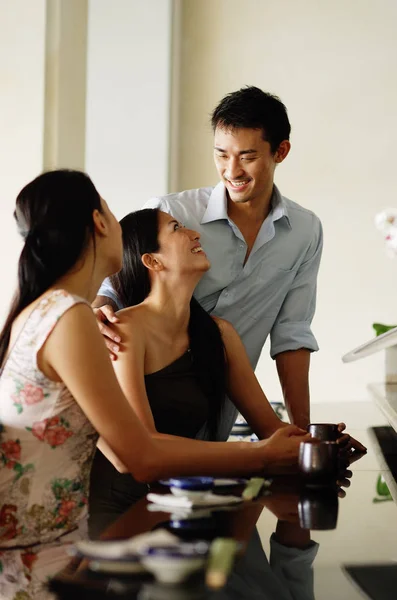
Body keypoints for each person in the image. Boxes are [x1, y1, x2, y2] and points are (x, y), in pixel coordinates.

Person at [0, 170, 309, 596]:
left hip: (52, 549)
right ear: (100, 224)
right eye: (110, 210)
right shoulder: (71, 318)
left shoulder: (48, 311)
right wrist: (259, 454)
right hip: (42, 561)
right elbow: (139, 457)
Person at [94, 86, 322, 437]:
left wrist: (307, 437)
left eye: (247, 157)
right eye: (221, 155)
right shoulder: (172, 213)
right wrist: (95, 319)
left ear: (281, 151)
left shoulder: (304, 230)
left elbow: (292, 333)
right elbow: (114, 285)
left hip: (219, 417)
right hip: (151, 403)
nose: (232, 170)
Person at [89, 207, 312, 536]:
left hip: (179, 503)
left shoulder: (219, 335)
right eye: (177, 228)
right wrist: (257, 454)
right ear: (152, 260)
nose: (195, 234)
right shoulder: (123, 332)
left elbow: (270, 428)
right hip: (118, 512)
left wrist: (316, 444)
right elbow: (141, 446)